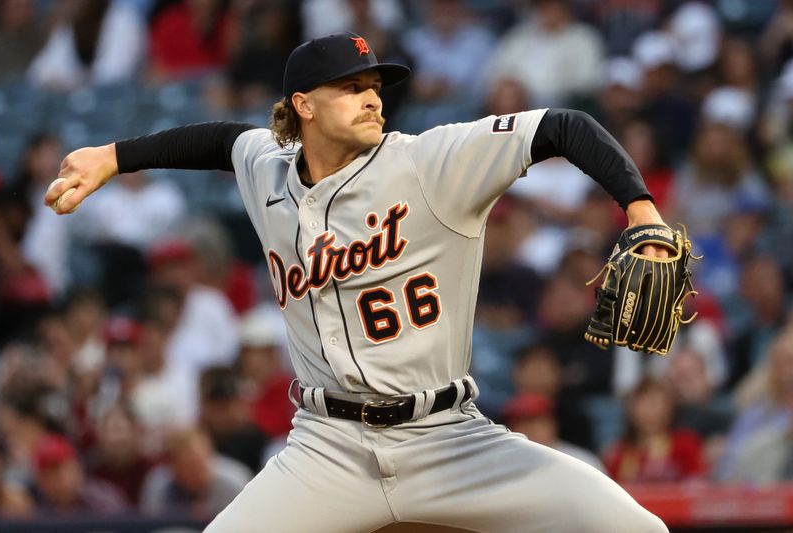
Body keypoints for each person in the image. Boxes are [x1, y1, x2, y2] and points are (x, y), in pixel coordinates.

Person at [47, 31, 670, 532]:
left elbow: (563, 126)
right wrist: (113, 157)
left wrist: (640, 210)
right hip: (329, 446)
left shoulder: (430, 160)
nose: (372, 97)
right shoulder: (266, 168)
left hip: (449, 437)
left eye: (375, 85)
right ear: (304, 105)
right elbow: (215, 140)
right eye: (351, 87)